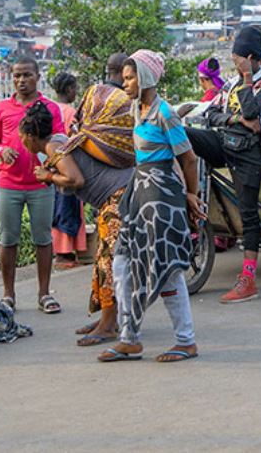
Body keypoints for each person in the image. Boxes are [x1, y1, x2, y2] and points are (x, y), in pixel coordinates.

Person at [98, 50, 202, 363]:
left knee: (167, 269)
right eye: (124, 78)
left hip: (161, 200)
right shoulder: (136, 109)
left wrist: (192, 196)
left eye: (130, 77)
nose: (124, 83)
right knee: (122, 264)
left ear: (145, 77)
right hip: (138, 196)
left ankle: (186, 341)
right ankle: (129, 339)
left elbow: (188, 158)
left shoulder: (164, 113)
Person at [16, 102, 133, 347]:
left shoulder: (53, 146)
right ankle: (107, 318)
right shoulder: (58, 140)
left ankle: (109, 325)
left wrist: (48, 176)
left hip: (117, 198)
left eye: (21, 137)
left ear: (29, 136)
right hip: (116, 197)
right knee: (105, 260)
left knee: (107, 263)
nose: (21, 143)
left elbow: (75, 179)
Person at [186, 27, 261, 304]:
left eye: (238, 57)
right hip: (224, 142)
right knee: (183, 135)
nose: (235, 62)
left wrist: (248, 79)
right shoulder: (228, 85)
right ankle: (186, 194)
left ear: (250, 57)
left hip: (249, 154)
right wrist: (235, 121)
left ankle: (248, 280)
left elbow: (253, 110)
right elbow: (211, 113)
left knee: (248, 214)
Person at [0, 56, 65, 314]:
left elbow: (62, 141)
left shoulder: (50, 108)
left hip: (41, 185)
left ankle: (44, 294)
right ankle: (8, 294)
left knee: (43, 238)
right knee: (8, 239)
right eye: (17, 75)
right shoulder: (1, 109)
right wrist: (2, 151)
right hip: (9, 184)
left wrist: (50, 168)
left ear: (37, 77)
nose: (21, 80)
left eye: (27, 75)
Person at [49, 71, 87, 268]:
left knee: (58, 210)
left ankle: (61, 252)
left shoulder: (52, 109)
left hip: (53, 165)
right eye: (75, 88)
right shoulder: (72, 113)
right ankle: (66, 253)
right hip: (69, 166)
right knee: (69, 208)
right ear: (70, 89)